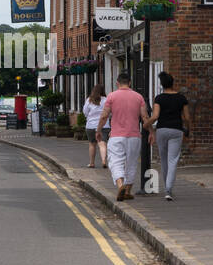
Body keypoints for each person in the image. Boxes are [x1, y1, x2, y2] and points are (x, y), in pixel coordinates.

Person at [98, 72, 150, 201]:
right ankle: (127, 191)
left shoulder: (111, 97)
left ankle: (120, 185)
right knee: (131, 163)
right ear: (130, 83)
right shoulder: (138, 97)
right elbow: (145, 117)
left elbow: (104, 116)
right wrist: (152, 133)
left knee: (116, 161)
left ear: (117, 83)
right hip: (134, 136)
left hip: (116, 136)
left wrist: (98, 130)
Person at [146, 71, 192, 201]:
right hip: (176, 130)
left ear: (162, 85)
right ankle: (168, 190)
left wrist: (146, 124)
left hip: (162, 130)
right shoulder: (181, 98)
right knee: (173, 160)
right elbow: (187, 118)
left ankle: (167, 188)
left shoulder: (159, 98)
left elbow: (155, 116)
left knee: (164, 160)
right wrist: (188, 129)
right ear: (173, 83)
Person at [82, 85, 108, 168]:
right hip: (104, 125)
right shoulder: (106, 100)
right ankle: (104, 161)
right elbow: (109, 113)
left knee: (92, 144)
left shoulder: (89, 100)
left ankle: (92, 163)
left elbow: (85, 112)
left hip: (90, 126)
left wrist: (90, 117)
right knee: (102, 143)